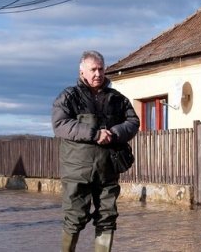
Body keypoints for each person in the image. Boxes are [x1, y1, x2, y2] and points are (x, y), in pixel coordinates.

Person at [51, 50, 140, 252]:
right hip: (77, 171)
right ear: (82, 71)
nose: (98, 74)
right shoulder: (68, 97)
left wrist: (115, 133)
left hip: (108, 169)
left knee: (107, 217)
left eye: (101, 69)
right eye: (93, 69)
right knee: (74, 218)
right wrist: (94, 133)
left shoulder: (117, 99)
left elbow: (133, 122)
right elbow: (61, 124)